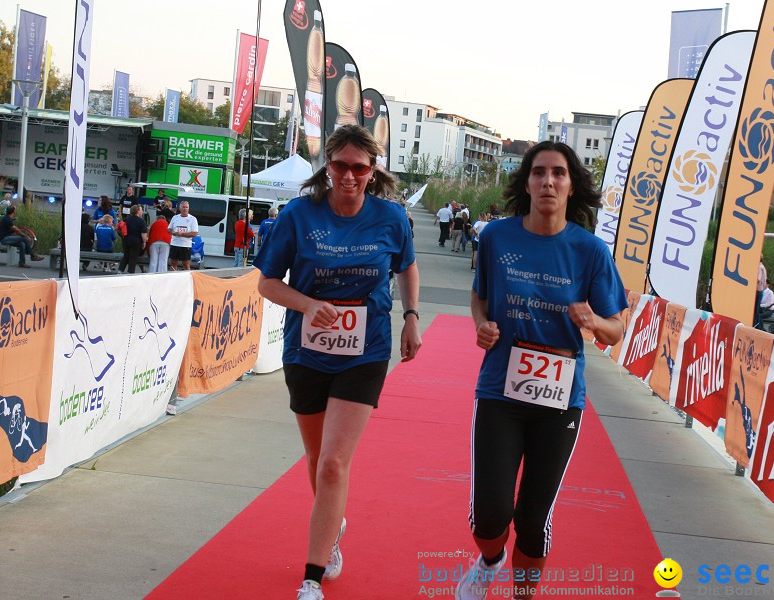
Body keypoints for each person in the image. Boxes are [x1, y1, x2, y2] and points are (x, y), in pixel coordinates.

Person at [253, 125, 421, 600]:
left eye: (359, 168)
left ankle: (312, 574)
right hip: (306, 351)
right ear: (328, 166)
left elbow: (406, 265)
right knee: (316, 459)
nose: (349, 176)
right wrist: (307, 305)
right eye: (340, 165)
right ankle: (334, 522)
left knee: (332, 464)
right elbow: (266, 283)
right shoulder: (299, 215)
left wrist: (411, 317)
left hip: (364, 352)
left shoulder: (391, 218)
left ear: (373, 171)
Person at [458, 141, 627, 600]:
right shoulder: (496, 237)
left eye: (557, 173)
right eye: (538, 173)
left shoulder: (591, 251)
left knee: (533, 521)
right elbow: (480, 296)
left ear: (571, 186)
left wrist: (593, 321)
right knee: (490, 515)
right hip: (500, 393)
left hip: (559, 402)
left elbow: (617, 329)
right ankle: (490, 561)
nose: (547, 181)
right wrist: (482, 325)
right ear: (526, 182)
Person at [168, 201, 199, 271]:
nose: (185, 209)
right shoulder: (175, 218)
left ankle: (187, 279)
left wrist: (182, 234)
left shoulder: (193, 219)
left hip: (185, 245)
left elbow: (194, 233)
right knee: (173, 263)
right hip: (175, 244)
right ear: (180, 208)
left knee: (186, 264)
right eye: (183, 207)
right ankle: (172, 278)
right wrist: (173, 232)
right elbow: (169, 229)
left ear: (188, 209)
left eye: (186, 207)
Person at [120, 205, 148, 274]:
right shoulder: (141, 221)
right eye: (141, 210)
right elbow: (143, 234)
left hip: (126, 240)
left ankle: (120, 271)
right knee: (133, 258)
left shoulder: (127, 219)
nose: (142, 211)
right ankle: (130, 272)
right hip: (136, 242)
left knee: (126, 256)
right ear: (137, 211)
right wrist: (144, 242)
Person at [755, 255, 767, 329]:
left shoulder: (759, 267)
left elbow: (757, 279)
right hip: (760, 290)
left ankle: (757, 326)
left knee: (755, 311)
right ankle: (758, 326)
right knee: (757, 310)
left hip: (758, 290)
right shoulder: (762, 267)